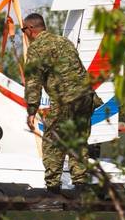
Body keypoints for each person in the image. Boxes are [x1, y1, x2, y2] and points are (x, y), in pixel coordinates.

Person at [22, 13, 102, 196]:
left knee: (53, 143)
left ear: (30, 29)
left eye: (23, 30)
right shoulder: (64, 41)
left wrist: (32, 110)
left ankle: (53, 192)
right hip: (85, 98)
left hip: (65, 100)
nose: (24, 34)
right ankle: (81, 190)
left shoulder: (37, 48)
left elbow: (33, 81)